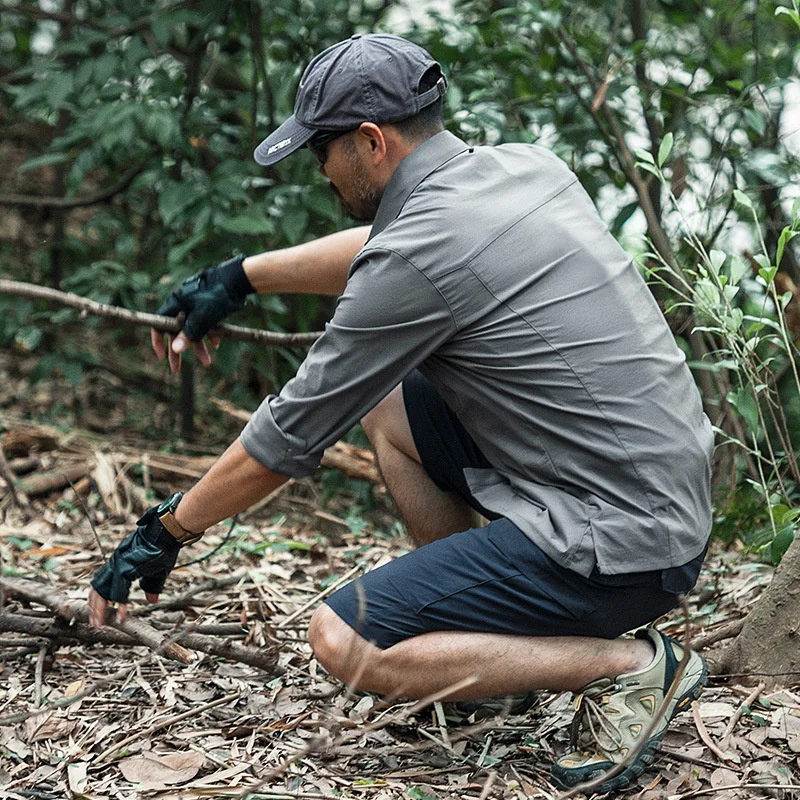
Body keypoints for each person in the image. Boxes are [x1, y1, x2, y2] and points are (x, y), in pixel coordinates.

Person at [88, 33, 714, 791]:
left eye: (322, 150)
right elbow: (382, 250)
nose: (321, 170)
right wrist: (240, 277)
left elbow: (286, 435)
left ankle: (633, 667)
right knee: (391, 405)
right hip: (660, 497)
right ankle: (493, 657)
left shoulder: (420, 252)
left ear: (371, 142)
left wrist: (163, 531)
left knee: (343, 638)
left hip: (623, 543)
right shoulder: (524, 168)